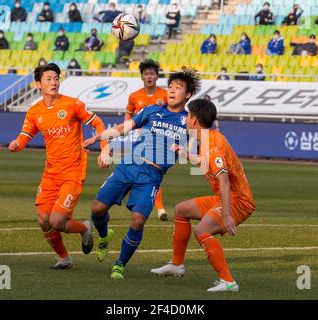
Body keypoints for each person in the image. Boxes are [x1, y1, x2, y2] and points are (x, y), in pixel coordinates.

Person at [82, 69, 201, 279]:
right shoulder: (152, 111)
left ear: (188, 94)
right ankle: (103, 235)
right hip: (128, 165)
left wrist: (191, 153)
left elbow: (201, 147)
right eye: (171, 87)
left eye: (178, 88)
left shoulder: (189, 121)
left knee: (138, 220)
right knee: (97, 208)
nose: (172, 91)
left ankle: (120, 263)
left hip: (151, 177)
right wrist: (99, 138)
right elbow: (124, 127)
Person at [8, 63, 108, 270]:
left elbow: (98, 123)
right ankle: (64, 258)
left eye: (56, 78)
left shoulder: (73, 104)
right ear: (38, 85)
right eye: (48, 79)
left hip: (72, 172)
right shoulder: (35, 111)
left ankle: (84, 228)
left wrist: (104, 148)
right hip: (50, 174)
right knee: (43, 219)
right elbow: (25, 135)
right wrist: (16, 145)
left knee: (57, 221)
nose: (53, 82)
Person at [150, 99, 255, 293]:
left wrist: (226, 214)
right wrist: (186, 154)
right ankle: (177, 264)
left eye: (188, 115)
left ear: (195, 120)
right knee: (181, 210)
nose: (186, 119)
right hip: (225, 197)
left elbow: (223, 179)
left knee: (202, 231)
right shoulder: (209, 138)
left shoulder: (212, 144)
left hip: (237, 201)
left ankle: (228, 281)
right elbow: (206, 161)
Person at [124, 59, 169, 221]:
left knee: (153, 172)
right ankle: (144, 204)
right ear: (142, 77)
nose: (149, 76)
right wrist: (129, 127)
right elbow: (129, 113)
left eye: (152, 74)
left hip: (160, 140)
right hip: (140, 139)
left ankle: (159, 208)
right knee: (137, 171)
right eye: (146, 74)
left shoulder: (165, 94)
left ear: (157, 77)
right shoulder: (134, 96)